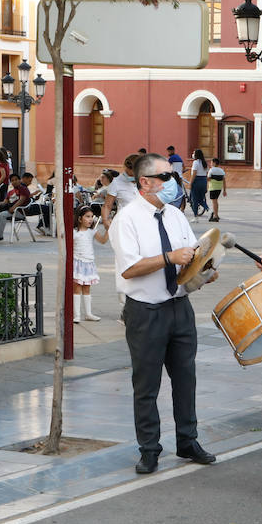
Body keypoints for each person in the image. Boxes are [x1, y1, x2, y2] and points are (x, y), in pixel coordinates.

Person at [109, 153, 216, 475]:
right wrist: (169, 257)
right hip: (145, 311)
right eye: (166, 177)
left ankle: (188, 440)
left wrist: (204, 269)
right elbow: (129, 269)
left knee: (186, 379)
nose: (173, 182)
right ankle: (149, 449)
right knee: (146, 385)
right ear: (145, 182)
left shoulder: (174, 215)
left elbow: (190, 256)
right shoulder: (126, 220)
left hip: (179, 307)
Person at [71, 206, 102, 322]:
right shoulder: (74, 233)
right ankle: (77, 315)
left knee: (87, 288)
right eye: (87, 217)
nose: (90, 219)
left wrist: (109, 229)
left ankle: (88, 313)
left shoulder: (92, 232)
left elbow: (103, 240)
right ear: (80, 218)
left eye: (91, 217)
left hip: (89, 263)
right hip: (78, 262)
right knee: (77, 288)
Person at [0, 172, 32, 243]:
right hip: (10, 211)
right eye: (12, 180)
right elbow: (4, 203)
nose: (14, 181)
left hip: (20, 212)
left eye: (16, 179)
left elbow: (21, 200)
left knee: (2, 215)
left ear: (20, 180)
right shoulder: (10, 192)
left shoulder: (23, 189)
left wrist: (13, 208)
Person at [188, 149, 208, 218]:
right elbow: (206, 173)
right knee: (201, 198)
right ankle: (207, 208)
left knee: (195, 199)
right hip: (204, 180)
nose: (193, 154)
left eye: (194, 153)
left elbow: (194, 174)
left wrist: (190, 183)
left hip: (197, 181)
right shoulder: (204, 162)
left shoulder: (195, 162)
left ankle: (195, 216)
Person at [207, 157, 227, 222]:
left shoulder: (211, 170)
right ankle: (216, 215)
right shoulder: (221, 170)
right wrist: (224, 190)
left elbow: (208, 179)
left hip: (213, 187)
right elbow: (224, 180)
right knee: (216, 201)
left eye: (211, 162)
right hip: (219, 188)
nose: (210, 163)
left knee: (214, 202)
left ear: (214, 163)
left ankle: (215, 216)